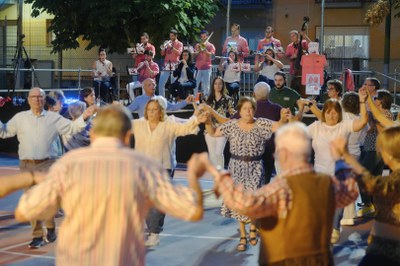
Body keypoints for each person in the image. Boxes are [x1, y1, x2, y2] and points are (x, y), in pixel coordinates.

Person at [12, 105, 219, 265]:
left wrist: (29, 179)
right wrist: (194, 176)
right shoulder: (145, 167)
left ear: (92, 134)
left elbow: (26, 211)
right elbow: (191, 211)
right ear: (128, 135)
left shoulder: (68, 164)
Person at [215, 122, 359, 265]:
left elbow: (242, 205)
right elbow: (350, 192)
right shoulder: (327, 184)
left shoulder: (278, 190)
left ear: (283, 154)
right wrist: (341, 160)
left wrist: (219, 175)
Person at [0, 87, 95, 249]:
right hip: (27, 165)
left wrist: (84, 117)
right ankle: (37, 235)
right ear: (28, 99)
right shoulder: (20, 118)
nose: (37, 99)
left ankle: (50, 226)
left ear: (44, 100)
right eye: (33, 96)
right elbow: (3, 132)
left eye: (40, 97)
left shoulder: (53, 118)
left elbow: (72, 128)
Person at [204, 96, 289, 252]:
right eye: (245, 109)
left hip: (255, 167)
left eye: (251, 108)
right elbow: (214, 132)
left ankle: (253, 226)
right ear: (239, 110)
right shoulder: (232, 125)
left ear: (254, 110)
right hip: (236, 167)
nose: (248, 111)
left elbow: (278, 126)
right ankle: (243, 234)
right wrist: (208, 121)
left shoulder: (261, 123)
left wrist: (283, 118)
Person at [132, 97, 208, 246]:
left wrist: (196, 119)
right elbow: (120, 124)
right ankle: (152, 228)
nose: (151, 112)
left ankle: (154, 232)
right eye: (149, 109)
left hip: (163, 167)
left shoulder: (169, 124)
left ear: (161, 112)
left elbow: (185, 128)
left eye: (155, 109)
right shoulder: (138, 124)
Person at [303, 91, 368, 243]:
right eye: (328, 112)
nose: (331, 116)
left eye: (335, 112)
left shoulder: (344, 126)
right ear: (324, 112)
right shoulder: (316, 126)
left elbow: (363, 122)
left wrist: (363, 102)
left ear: (340, 114)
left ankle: (334, 228)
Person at [331, 128, 400, 266]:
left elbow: (370, 183)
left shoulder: (393, 183)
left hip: (387, 253)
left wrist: (340, 160)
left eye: (382, 148)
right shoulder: (393, 178)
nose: (379, 151)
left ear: (391, 154)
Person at [359, 85, 393, 217]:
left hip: (376, 149)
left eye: (376, 98)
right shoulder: (375, 112)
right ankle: (373, 204)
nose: (374, 99)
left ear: (382, 101)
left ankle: (369, 204)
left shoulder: (386, 114)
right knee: (374, 176)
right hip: (370, 147)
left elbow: (383, 132)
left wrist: (374, 122)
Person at [201, 76, 236, 168]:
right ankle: (215, 176)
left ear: (223, 85)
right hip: (209, 128)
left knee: (219, 152)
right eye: (216, 83)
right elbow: (201, 111)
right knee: (212, 155)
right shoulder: (207, 98)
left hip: (222, 129)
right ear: (213, 85)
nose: (218, 86)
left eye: (220, 83)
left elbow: (233, 112)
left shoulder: (228, 99)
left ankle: (220, 174)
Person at [126, 78, 193, 118]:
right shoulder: (139, 99)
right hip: (145, 131)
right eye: (149, 85)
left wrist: (185, 101)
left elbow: (173, 107)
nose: (152, 86)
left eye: (153, 84)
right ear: (144, 87)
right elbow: (127, 110)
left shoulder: (160, 99)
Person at [158, 29, 183, 97]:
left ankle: (174, 99)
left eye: (172, 36)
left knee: (173, 84)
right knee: (161, 83)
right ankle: (162, 100)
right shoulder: (168, 43)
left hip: (175, 65)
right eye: (170, 36)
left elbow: (179, 53)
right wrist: (163, 48)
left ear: (176, 36)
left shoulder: (179, 44)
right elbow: (162, 54)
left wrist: (171, 47)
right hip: (166, 65)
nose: (171, 37)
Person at [285, 30, 310, 98]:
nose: (292, 37)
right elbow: (286, 58)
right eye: (291, 36)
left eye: (294, 36)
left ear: (297, 36)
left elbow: (312, 45)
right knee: (292, 89)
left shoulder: (303, 42)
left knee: (304, 91)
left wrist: (304, 36)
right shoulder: (289, 46)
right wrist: (292, 57)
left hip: (304, 71)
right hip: (294, 70)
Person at [194, 30, 216, 96]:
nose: (203, 38)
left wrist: (205, 50)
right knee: (195, 84)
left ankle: (206, 99)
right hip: (198, 67)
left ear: (207, 37)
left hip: (207, 67)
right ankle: (195, 98)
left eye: (204, 36)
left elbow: (212, 56)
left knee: (206, 85)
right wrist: (198, 51)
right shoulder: (197, 45)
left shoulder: (211, 46)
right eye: (201, 37)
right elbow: (194, 56)